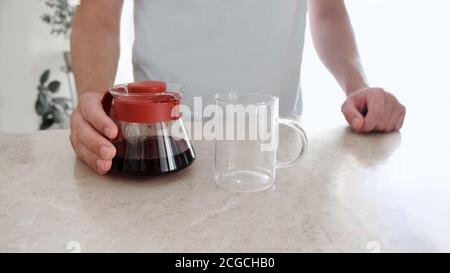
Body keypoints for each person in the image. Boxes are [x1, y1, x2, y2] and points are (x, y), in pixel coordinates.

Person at [70, 0, 406, 175]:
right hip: (161, 148)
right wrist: (94, 103)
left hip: (276, 149)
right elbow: (99, 14)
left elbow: (328, 12)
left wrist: (356, 86)